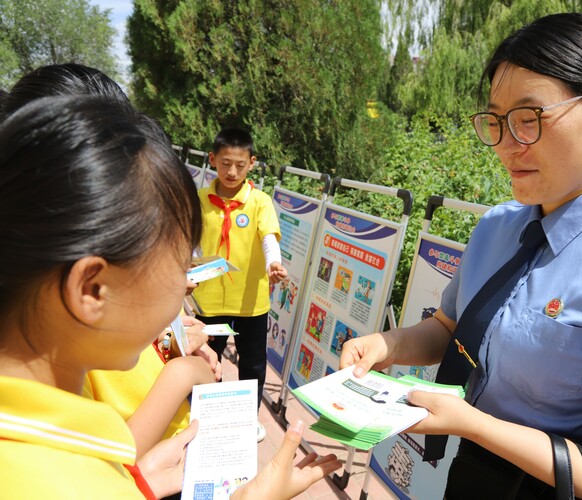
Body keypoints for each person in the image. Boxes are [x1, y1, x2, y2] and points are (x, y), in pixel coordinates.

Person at [340, 13, 582, 499]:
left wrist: (474, 425)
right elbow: (452, 329)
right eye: (497, 120)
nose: (507, 145)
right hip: (471, 478)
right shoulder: (497, 228)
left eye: (530, 118)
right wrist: (388, 346)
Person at [0, 96, 340, 498]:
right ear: (93, 289)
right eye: (179, 263)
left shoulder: (53, 445)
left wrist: (138, 484)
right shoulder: (61, 482)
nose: (186, 282)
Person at [0, 63, 221, 458]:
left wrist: (174, 343)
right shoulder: (59, 344)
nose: (185, 281)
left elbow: (150, 343)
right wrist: (181, 376)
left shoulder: (77, 303)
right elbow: (107, 455)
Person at [193, 127, 288, 442]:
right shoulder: (199, 199)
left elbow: (268, 236)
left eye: (239, 164)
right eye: (224, 163)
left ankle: (248, 419)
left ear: (252, 164)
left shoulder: (259, 201)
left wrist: (274, 262)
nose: (231, 171)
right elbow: (191, 240)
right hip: (208, 302)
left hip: (251, 303)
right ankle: (206, 416)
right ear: (212, 160)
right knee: (207, 359)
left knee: (253, 364)